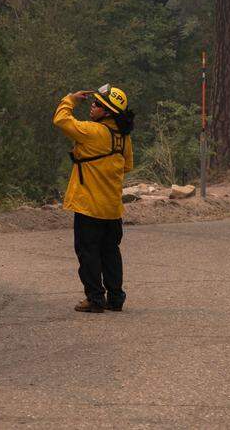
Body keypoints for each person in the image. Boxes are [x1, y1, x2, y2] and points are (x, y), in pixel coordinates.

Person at [53, 84, 135, 313]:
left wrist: (70, 99)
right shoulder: (123, 138)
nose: (93, 105)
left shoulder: (92, 131)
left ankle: (95, 299)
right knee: (110, 253)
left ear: (107, 112)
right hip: (112, 208)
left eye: (98, 104)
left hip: (89, 206)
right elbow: (127, 166)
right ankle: (116, 298)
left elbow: (60, 120)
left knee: (88, 253)